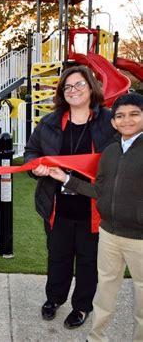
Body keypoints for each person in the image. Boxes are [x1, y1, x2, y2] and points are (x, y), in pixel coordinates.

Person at [24, 65, 115, 329]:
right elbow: (32, 151)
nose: (73, 91)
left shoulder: (108, 122)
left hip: (93, 207)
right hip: (57, 205)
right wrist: (35, 167)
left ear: (91, 88)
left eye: (79, 85)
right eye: (68, 87)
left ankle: (81, 307)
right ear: (62, 93)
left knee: (88, 262)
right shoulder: (50, 122)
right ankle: (54, 299)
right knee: (58, 257)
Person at [48, 93, 143, 341]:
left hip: (139, 239)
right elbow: (99, 190)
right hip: (109, 233)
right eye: (120, 116)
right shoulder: (110, 152)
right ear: (113, 122)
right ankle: (96, 337)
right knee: (104, 292)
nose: (127, 121)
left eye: (134, 114)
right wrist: (66, 179)